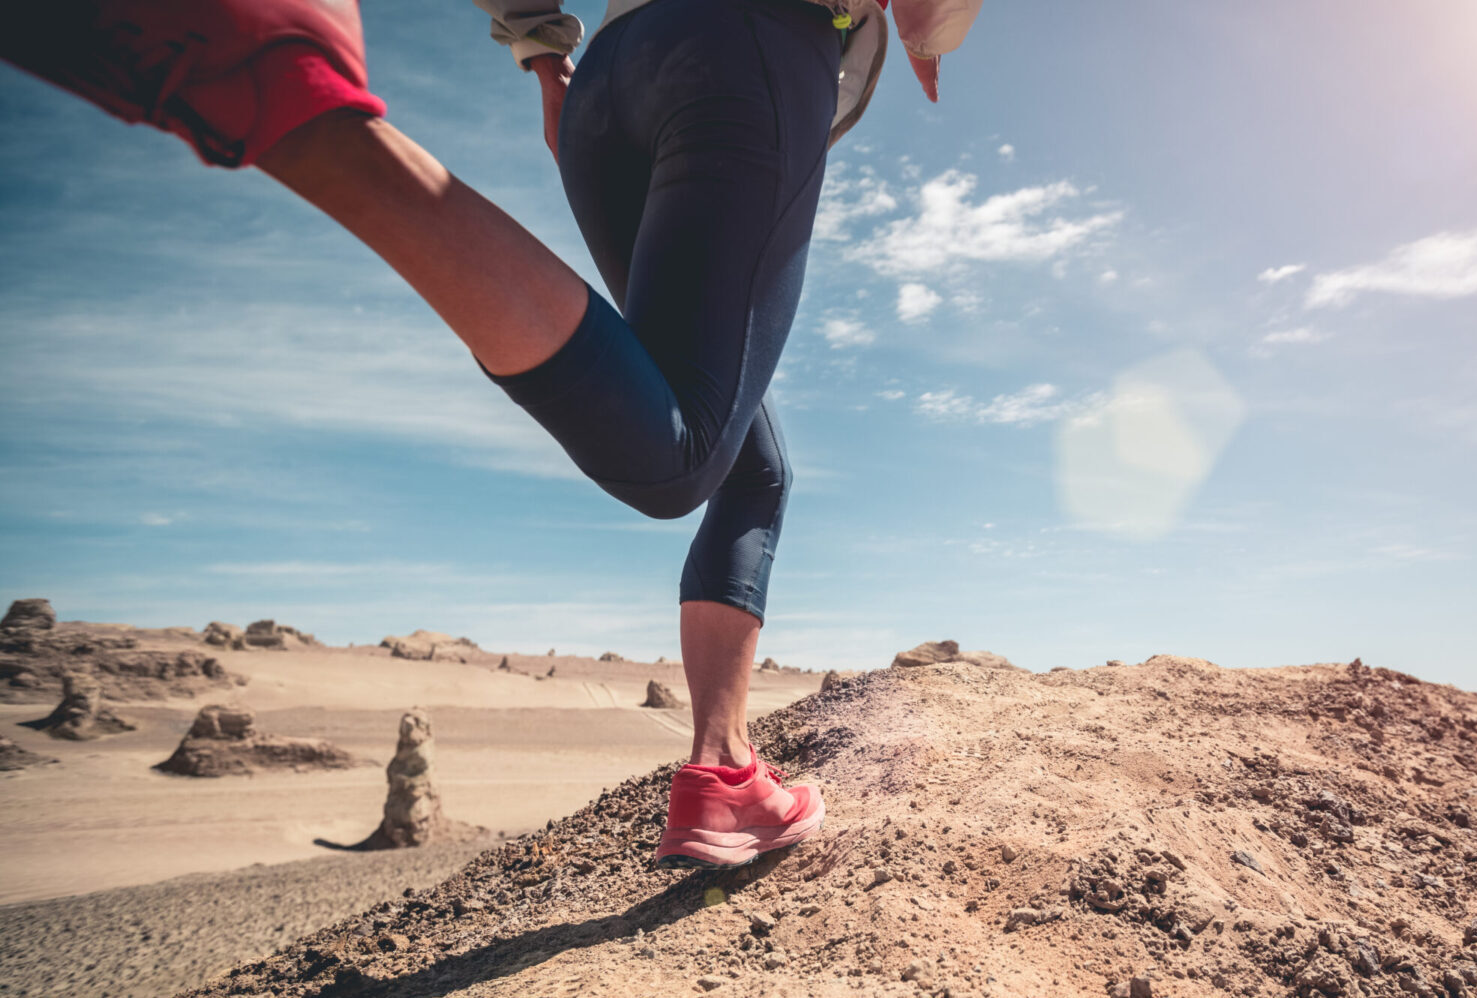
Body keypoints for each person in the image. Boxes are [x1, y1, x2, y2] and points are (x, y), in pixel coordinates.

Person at [2, 0, 980, 870]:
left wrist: (542, 53)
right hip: (752, 46)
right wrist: (934, 30)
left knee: (753, 467)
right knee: (683, 453)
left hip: (607, 81)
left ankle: (721, 774)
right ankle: (306, 113)